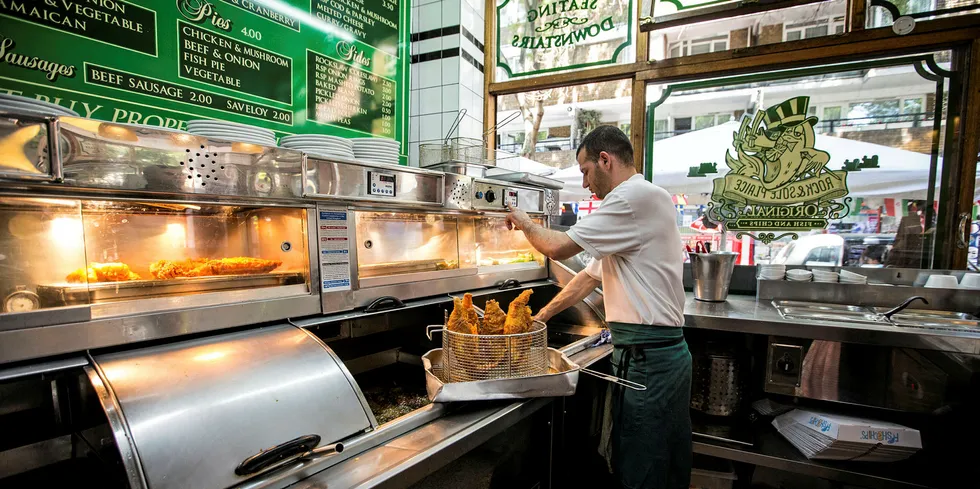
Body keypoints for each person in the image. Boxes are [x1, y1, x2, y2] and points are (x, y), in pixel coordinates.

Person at [505, 126, 691, 489]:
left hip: (650, 359)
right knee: (646, 457)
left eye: (586, 171)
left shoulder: (632, 198)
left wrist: (525, 221)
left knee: (645, 466)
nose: (587, 184)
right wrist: (540, 318)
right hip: (646, 356)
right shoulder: (640, 202)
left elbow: (558, 247)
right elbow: (588, 277)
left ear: (605, 160)